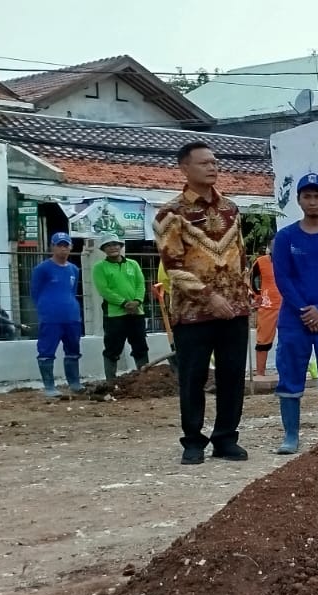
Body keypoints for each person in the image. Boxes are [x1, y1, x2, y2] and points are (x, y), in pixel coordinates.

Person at [154, 141, 253, 465]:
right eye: (204, 163)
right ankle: (193, 440)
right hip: (193, 312)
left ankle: (226, 438)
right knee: (193, 378)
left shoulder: (231, 209)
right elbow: (173, 266)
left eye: (214, 162)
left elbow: (241, 255)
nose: (212, 167)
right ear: (184, 168)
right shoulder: (171, 214)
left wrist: (242, 295)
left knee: (232, 377)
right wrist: (209, 297)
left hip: (234, 310)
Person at [271, 173, 318, 454]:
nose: (312, 201)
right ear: (298, 200)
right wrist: (305, 311)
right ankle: (291, 436)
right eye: (307, 196)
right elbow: (283, 278)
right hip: (295, 319)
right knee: (290, 376)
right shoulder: (286, 237)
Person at [30, 233, 84, 398]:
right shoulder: (42, 269)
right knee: (46, 350)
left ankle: (74, 383)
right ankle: (49, 386)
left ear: (71, 247)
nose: (63, 248)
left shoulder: (74, 269)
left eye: (66, 245)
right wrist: (46, 309)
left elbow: (72, 291)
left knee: (73, 350)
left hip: (72, 316)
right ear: (52, 247)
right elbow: (35, 292)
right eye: (59, 245)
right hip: (51, 318)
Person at [92, 234, 149, 379]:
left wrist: (137, 301)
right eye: (108, 245)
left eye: (115, 244)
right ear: (104, 249)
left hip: (136, 312)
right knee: (112, 348)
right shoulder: (99, 267)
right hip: (114, 315)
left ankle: (145, 379)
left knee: (140, 346)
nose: (113, 247)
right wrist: (124, 303)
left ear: (121, 246)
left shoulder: (133, 264)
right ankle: (111, 381)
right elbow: (104, 290)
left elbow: (140, 284)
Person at [249, 241, 281, 377]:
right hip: (268, 306)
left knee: (289, 341)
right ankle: (260, 374)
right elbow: (250, 279)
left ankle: (286, 373)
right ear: (269, 247)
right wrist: (256, 296)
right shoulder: (261, 262)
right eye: (273, 245)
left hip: (289, 306)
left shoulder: (291, 259)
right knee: (263, 341)